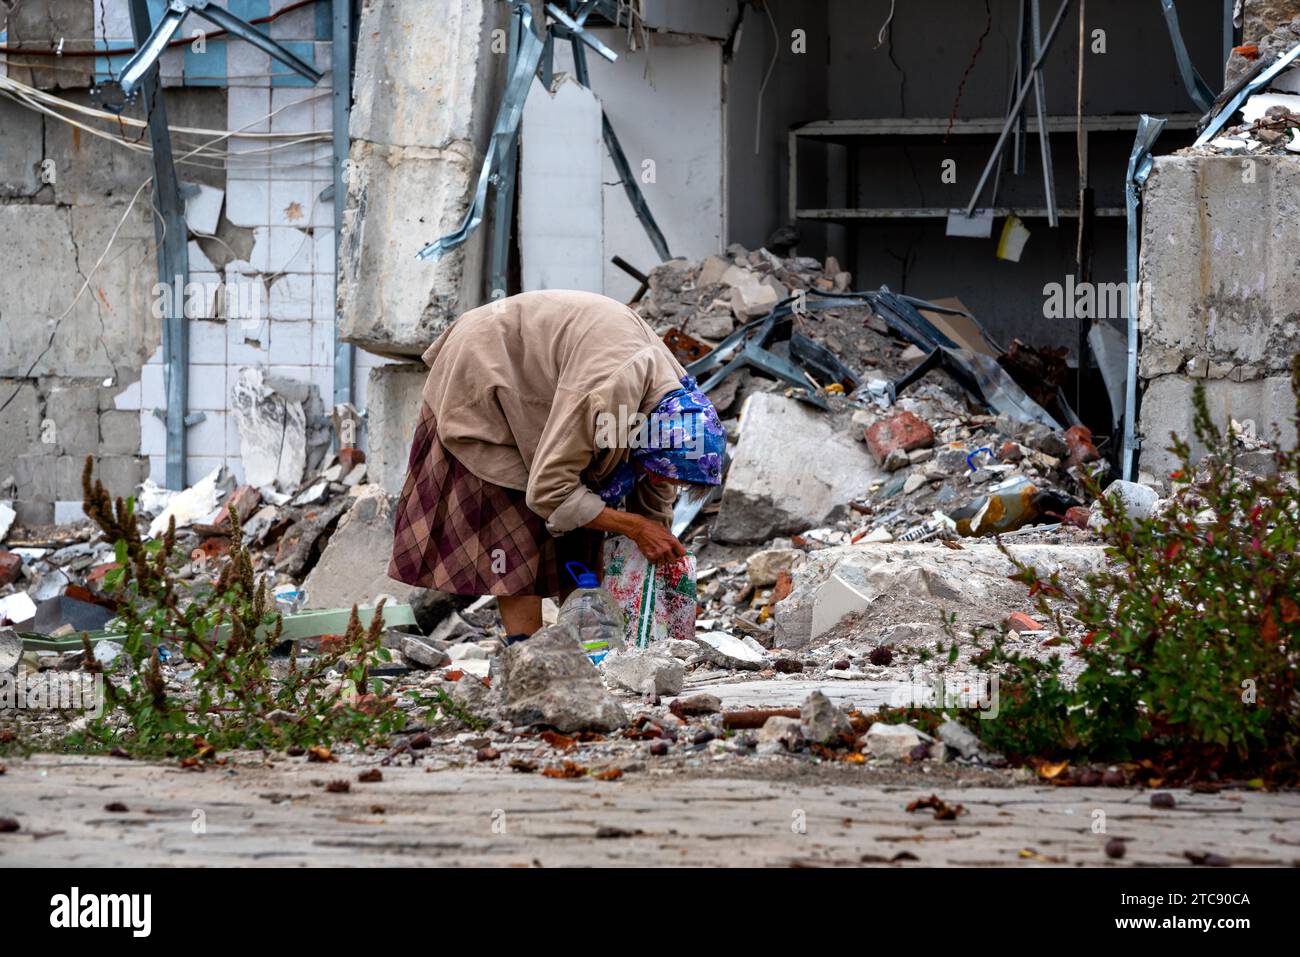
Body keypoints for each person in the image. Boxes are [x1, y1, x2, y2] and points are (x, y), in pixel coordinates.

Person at [389, 289, 724, 643]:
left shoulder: (671, 413)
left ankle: (584, 642)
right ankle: (527, 652)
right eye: (659, 471)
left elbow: (654, 486)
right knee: (513, 517)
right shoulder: (610, 393)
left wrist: (655, 544)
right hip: (487, 365)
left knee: (588, 514)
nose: (655, 478)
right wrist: (634, 526)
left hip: (553, 375)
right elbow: (549, 490)